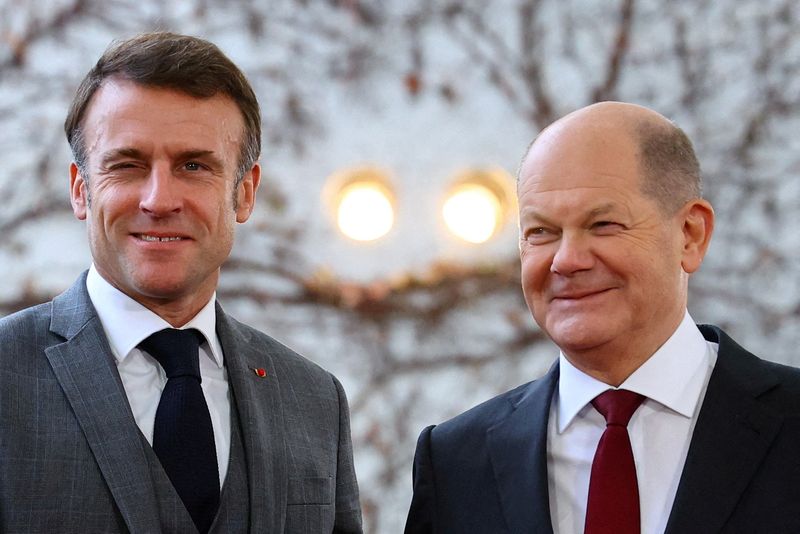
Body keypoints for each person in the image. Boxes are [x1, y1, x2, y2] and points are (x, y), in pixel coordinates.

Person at [0, 32, 362, 534]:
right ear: (81, 190)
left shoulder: (314, 400)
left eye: (194, 166)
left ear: (245, 193)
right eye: (128, 165)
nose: (159, 199)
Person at [404, 102, 800, 533]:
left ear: (690, 235)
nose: (567, 260)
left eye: (603, 224)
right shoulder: (456, 462)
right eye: (541, 232)